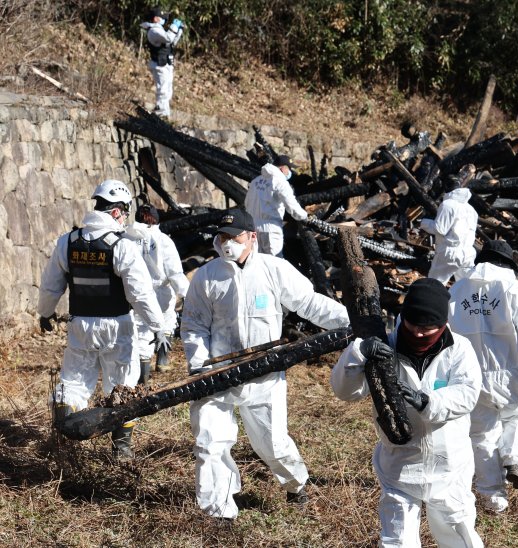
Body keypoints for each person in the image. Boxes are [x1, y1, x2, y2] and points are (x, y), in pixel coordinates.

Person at [180, 208, 349, 519]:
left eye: (234, 237)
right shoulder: (207, 276)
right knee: (210, 442)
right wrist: (200, 363)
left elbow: (308, 302)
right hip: (216, 374)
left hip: (264, 374)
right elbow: (194, 324)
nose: (227, 243)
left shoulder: (274, 269)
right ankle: (219, 512)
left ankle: (296, 486)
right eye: (222, 237)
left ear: (252, 237)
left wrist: (350, 320)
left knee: (272, 443)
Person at [332, 278, 484, 547]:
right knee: (396, 541)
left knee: (458, 534)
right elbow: (345, 391)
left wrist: (427, 401)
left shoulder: (459, 349)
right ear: (404, 317)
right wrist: (358, 352)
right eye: (414, 325)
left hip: (449, 467)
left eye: (429, 328)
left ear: (443, 323)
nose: (420, 333)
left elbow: (468, 393)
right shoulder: (385, 346)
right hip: (400, 466)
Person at [37, 179, 170, 459]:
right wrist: (160, 328)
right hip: (118, 326)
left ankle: (63, 443)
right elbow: (141, 295)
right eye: (124, 212)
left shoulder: (68, 242)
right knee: (123, 384)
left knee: (72, 382)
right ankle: (121, 449)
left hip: (80, 327)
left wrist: (45, 313)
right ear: (116, 212)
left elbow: (51, 286)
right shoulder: (122, 247)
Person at [448, 239, 518, 513]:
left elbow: (445, 334)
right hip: (511, 371)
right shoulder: (512, 288)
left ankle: (494, 500)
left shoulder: (458, 289)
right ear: (508, 264)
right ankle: (517, 461)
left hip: (470, 376)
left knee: (482, 435)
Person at [125, 203, 190, 383]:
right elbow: (175, 272)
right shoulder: (163, 240)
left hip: (137, 294)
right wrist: (186, 294)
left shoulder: (126, 238)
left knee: (142, 333)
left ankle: (142, 381)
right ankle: (162, 360)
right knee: (167, 321)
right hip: (161, 292)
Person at [244, 155, 308, 257]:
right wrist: (305, 217)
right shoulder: (280, 182)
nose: (290, 172)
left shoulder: (256, 181)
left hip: (253, 228)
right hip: (271, 230)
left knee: (257, 263)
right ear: (282, 168)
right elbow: (292, 206)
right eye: (289, 168)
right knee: (276, 264)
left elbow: (247, 203)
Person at [420, 178, 478, 285]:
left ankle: (434, 302)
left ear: (445, 188)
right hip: (468, 253)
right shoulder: (471, 209)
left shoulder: (448, 204)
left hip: (450, 253)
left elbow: (440, 229)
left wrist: (424, 223)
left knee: (435, 285)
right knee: (466, 286)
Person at [140, 6, 184, 119]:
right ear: (155, 19)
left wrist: (179, 30)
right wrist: (174, 26)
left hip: (167, 63)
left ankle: (165, 113)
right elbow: (168, 38)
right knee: (163, 90)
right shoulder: (154, 31)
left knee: (168, 90)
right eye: (162, 16)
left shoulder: (159, 30)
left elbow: (171, 43)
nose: (165, 19)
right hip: (159, 64)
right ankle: (160, 112)